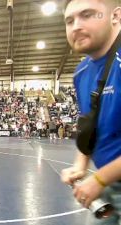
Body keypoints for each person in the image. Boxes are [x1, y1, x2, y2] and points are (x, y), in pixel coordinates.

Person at [61, 0, 121, 224]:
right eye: (69, 20)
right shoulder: (81, 73)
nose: (76, 26)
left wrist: (99, 179)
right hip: (108, 183)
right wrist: (80, 165)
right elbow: (89, 123)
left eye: (87, 15)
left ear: (116, 17)